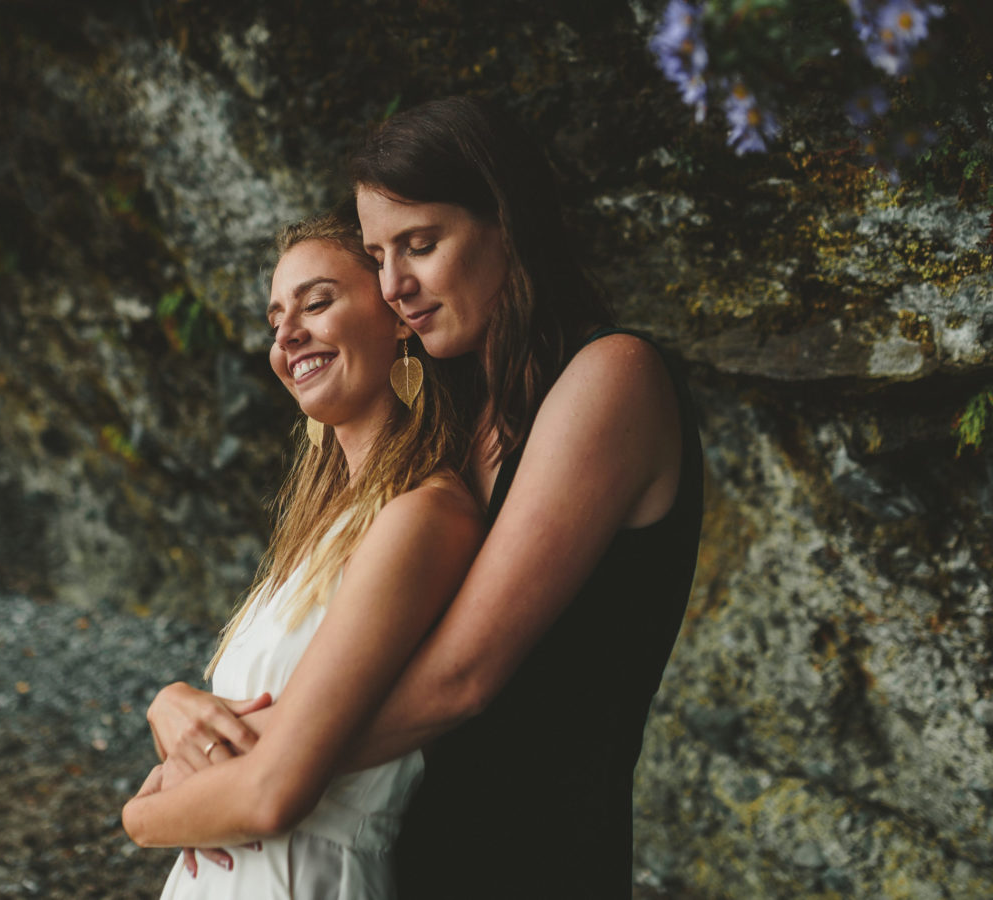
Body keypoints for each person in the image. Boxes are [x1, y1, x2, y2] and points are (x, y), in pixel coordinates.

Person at [157, 95, 704, 899]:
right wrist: (181, 712)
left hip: (535, 863)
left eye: (420, 245)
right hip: (401, 861)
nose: (395, 285)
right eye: (378, 256)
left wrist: (250, 768)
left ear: (507, 227)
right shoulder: (446, 431)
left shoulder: (610, 378)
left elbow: (463, 679)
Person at [122, 208, 483, 898]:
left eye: (317, 303)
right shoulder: (322, 533)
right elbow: (241, 732)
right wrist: (170, 702)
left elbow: (271, 795)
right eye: (274, 320)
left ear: (398, 318)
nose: (287, 334)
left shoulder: (423, 516)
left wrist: (143, 816)